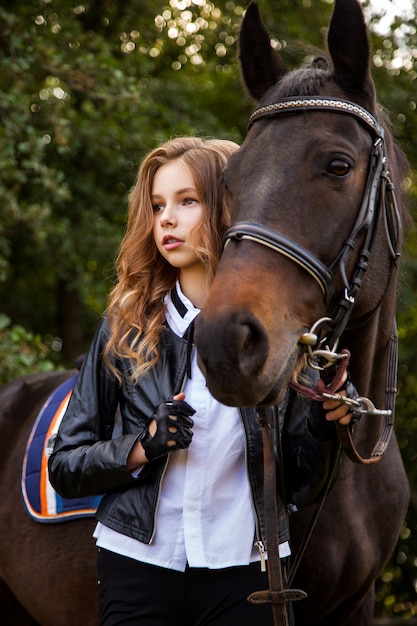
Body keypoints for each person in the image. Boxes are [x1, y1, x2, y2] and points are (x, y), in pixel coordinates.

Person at [48, 136, 355, 626]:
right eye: (156, 205)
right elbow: (63, 464)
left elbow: (302, 484)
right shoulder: (124, 328)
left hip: (249, 571)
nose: (166, 219)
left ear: (230, 205)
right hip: (137, 564)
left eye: (187, 201)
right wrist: (142, 447)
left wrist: (323, 420)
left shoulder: (286, 336)